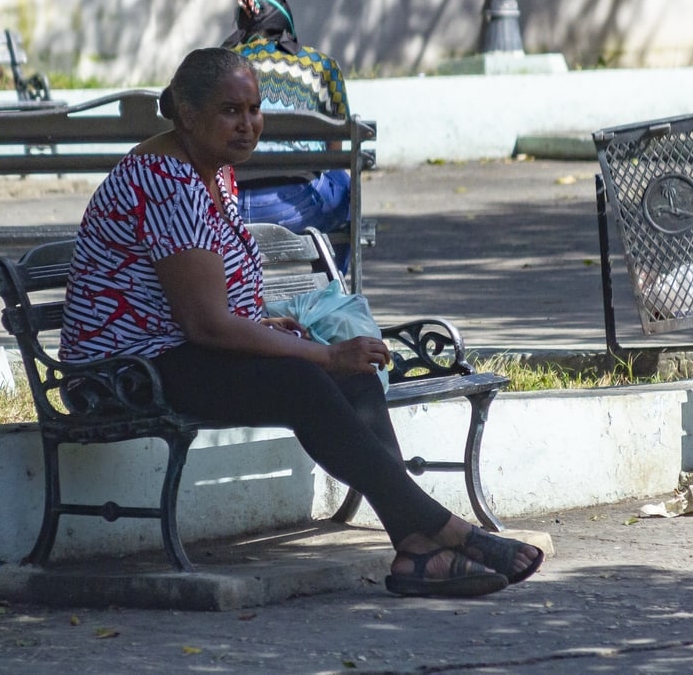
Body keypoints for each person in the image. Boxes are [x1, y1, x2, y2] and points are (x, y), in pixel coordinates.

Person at [58, 46, 543, 598]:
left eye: (254, 109)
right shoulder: (168, 181)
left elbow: (204, 300)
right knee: (305, 378)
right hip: (125, 372)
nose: (248, 124)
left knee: (353, 374)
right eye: (230, 111)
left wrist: (269, 323)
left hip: (178, 354)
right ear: (187, 114)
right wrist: (323, 354)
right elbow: (205, 326)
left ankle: (415, 547)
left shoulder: (214, 172)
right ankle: (443, 529)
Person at [220, 0, 355, 271]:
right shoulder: (320, 67)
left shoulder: (218, 68)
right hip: (298, 207)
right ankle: (331, 285)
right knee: (345, 189)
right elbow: (335, 154)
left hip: (226, 208)